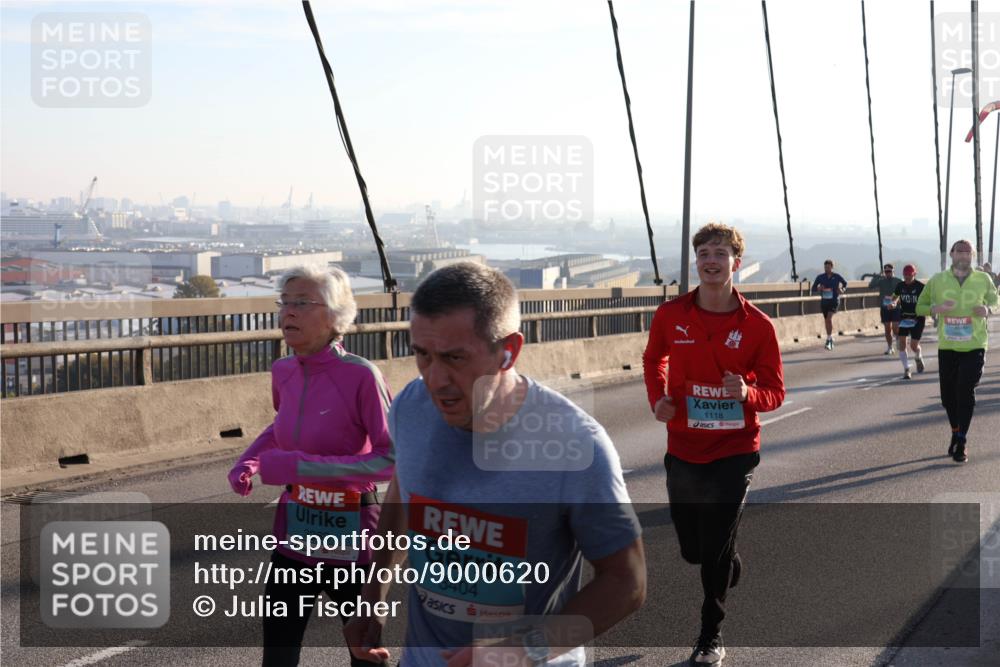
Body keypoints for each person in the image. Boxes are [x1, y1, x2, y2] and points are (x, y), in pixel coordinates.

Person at [343, 262, 645, 667]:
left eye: (454, 358)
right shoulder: (410, 407)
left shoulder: (575, 444)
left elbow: (627, 582)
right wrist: (373, 595)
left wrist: (515, 651)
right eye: (422, 355)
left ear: (509, 351)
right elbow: (404, 491)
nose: (435, 379)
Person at [227, 265, 394, 667]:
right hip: (294, 535)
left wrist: (303, 468)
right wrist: (248, 459)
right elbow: (280, 424)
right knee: (278, 655)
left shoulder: (361, 375)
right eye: (284, 302)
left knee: (364, 657)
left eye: (302, 303)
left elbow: (390, 459)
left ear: (337, 316)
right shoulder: (282, 370)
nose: (289, 312)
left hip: (351, 536)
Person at [643, 223, 785, 666]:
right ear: (696, 261)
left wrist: (746, 394)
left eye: (720, 253)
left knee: (714, 551)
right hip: (684, 445)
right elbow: (653, 359)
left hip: (735, 450)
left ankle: (710, 634)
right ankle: (725, 558)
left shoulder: (758, 326)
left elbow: (776, 393)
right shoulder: (671, 315)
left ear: (735, 263)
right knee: (693, 548)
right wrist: (659, 399)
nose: (710, 260)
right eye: (703, 252)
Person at [916, 240, 998, 463]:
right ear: (951, 254)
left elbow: (996, 300)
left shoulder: (983, 279)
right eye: (958, 251)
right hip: (948, 346)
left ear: (972, 255)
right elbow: (919, 306)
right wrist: (936, 309)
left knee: (965, 389)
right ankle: (955, 430)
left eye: (967, 252)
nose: (963, 255)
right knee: (948, 398)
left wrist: (988, 308)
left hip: (975, 344)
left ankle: (962, 440)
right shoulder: (938, 280)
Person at [891, 264, 926, 380]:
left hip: (918, 318)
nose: (907, 278)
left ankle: (918, 356)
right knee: (902, 343)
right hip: (905, 318)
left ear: (914, 275)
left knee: (913, 345)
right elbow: (895, 296)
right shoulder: (900, 286)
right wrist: (894, 303)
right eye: (905, 276)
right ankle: (906, 369)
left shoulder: (921, 287)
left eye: (909, 276)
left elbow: (928, 300)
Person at [811, 260, 848, 350]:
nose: (826, 269)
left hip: (834, 301)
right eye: (825, 267)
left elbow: (845, 284)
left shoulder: (837, 276)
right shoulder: (820, 277)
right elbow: (813, 288)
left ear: (832, 267)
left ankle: (828, 338)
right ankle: (830, 337)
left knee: (829, 318)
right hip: (824, 302)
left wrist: (842, 289)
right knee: (827, 320)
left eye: (828, 267)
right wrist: (819, 288)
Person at [869, 264, 903, 355]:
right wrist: (876, 277)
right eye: (886, 271)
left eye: (890, 271)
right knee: (887, 328)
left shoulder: (898, 281)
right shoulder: (881, 281)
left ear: (893, 271)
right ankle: (890, 347)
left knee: (895, 327)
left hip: (896, 307)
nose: (888, 273)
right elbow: (871, 286)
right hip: (885, 307)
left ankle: (898, 338)